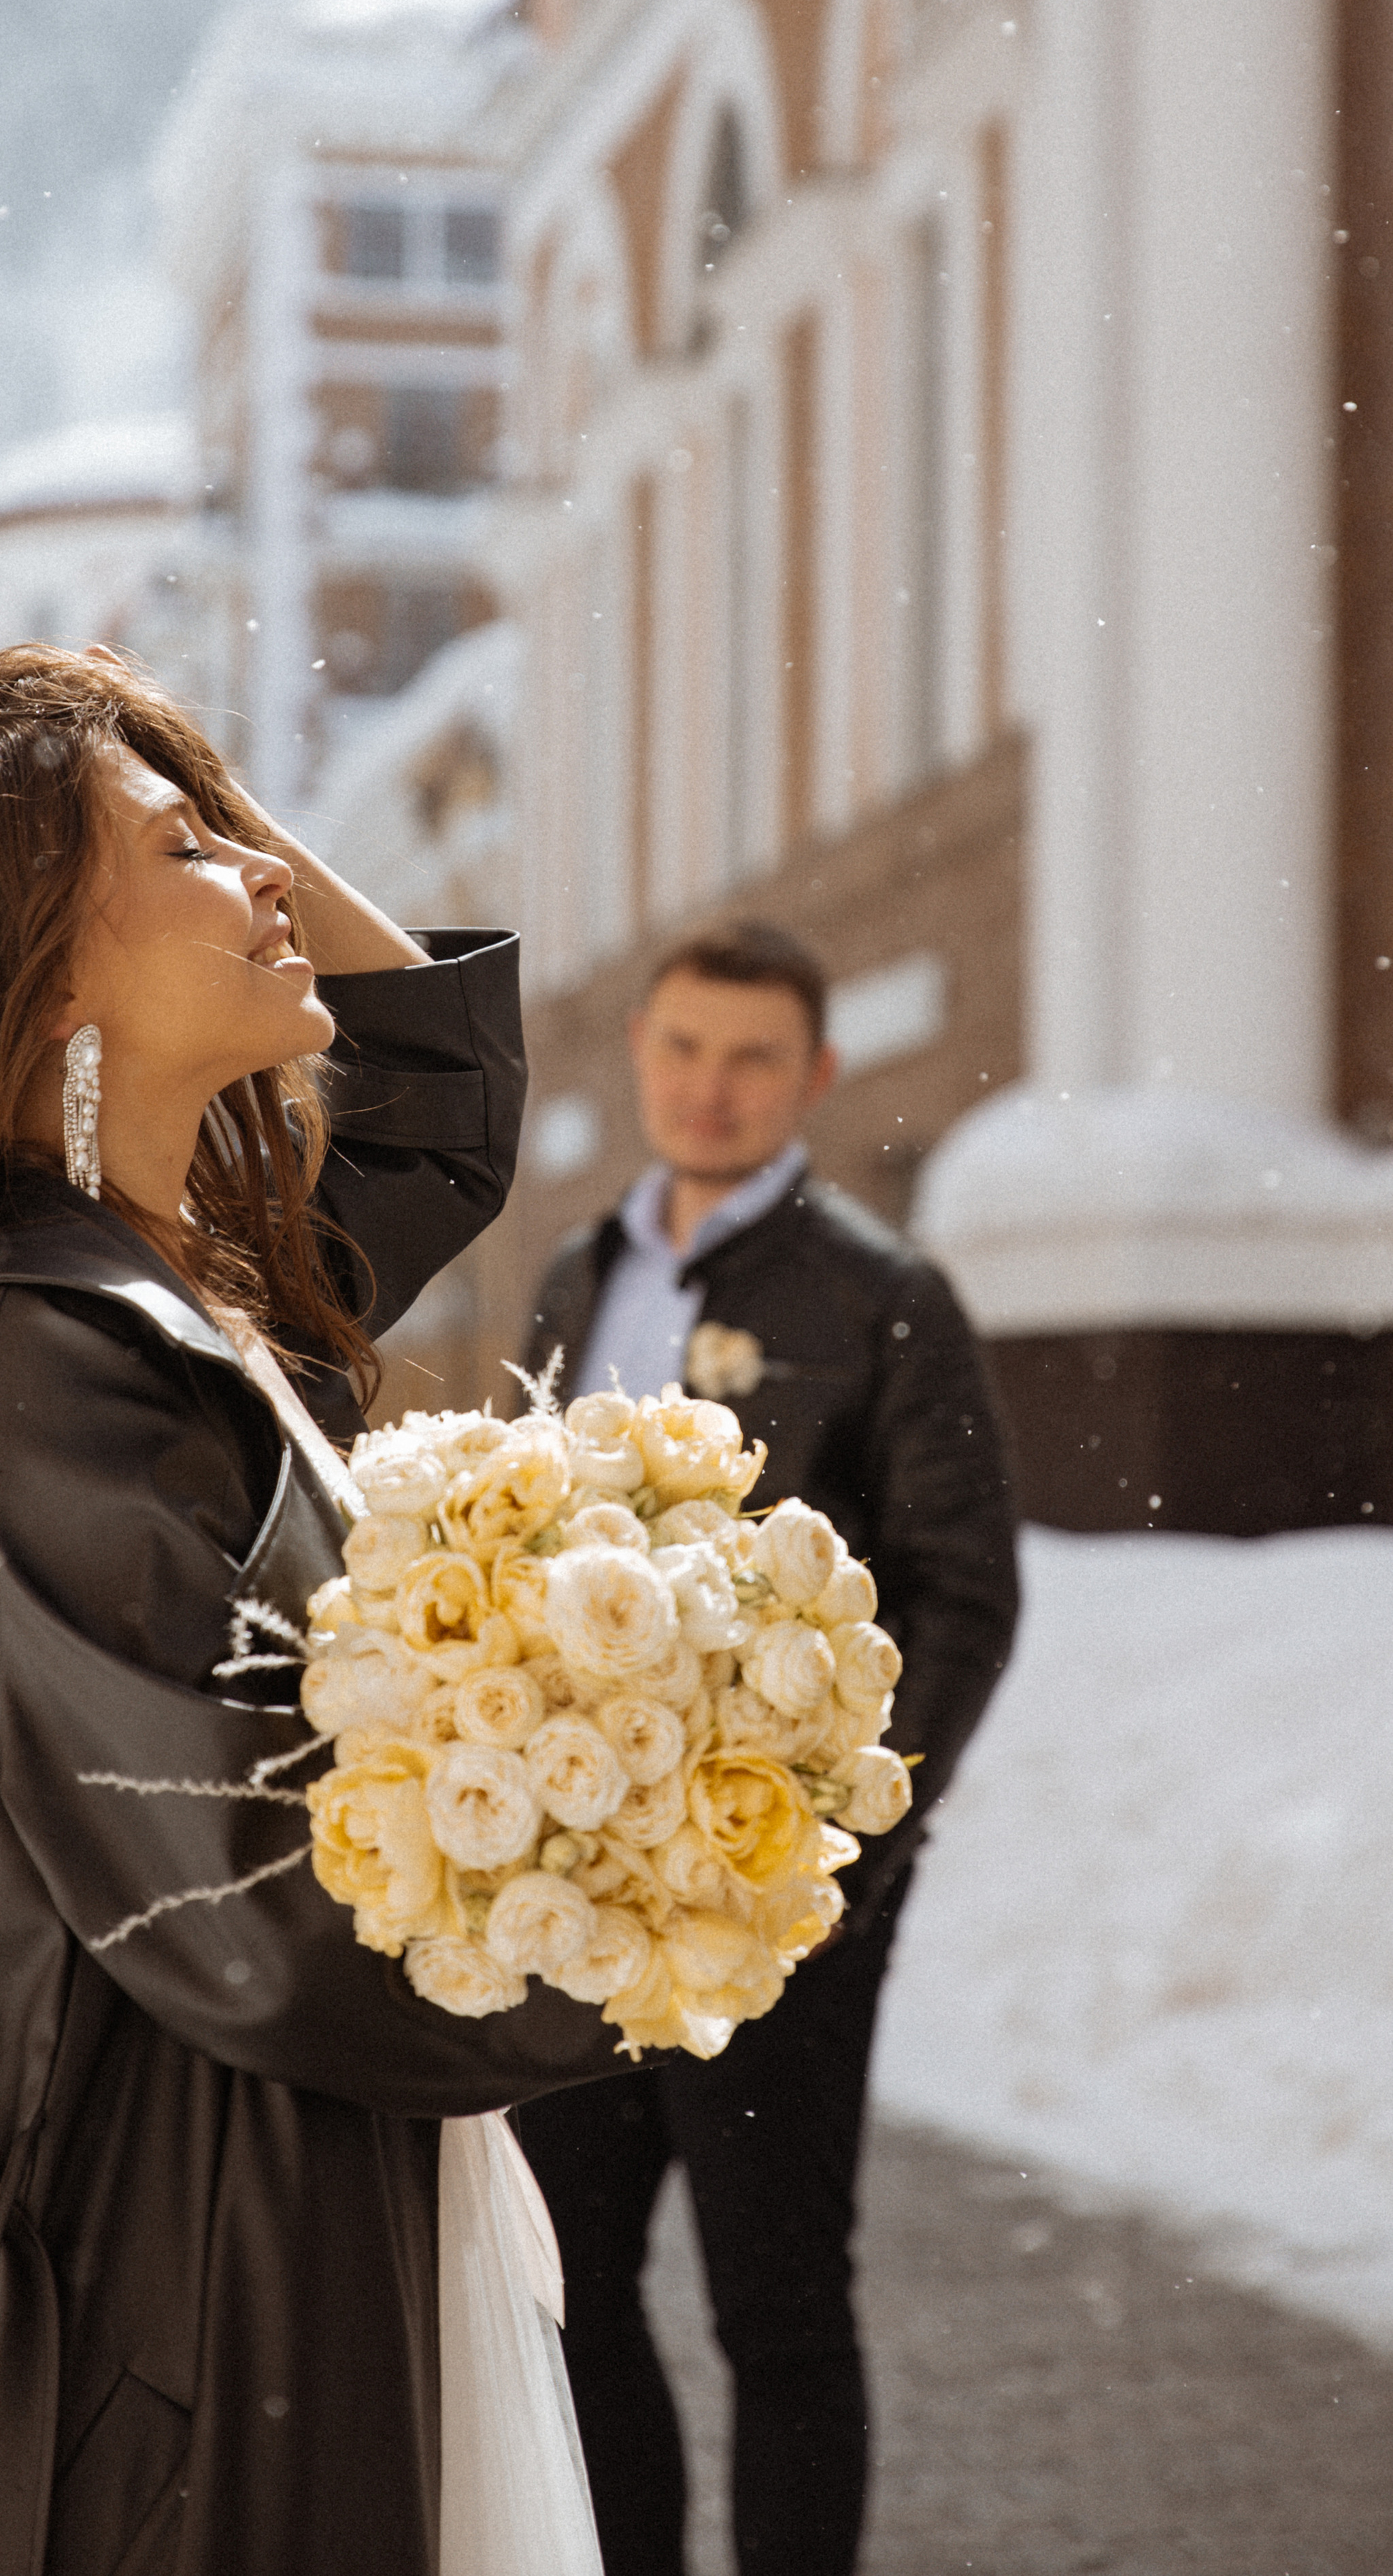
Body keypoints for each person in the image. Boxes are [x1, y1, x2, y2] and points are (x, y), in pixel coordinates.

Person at [0, 645, 626, 2576]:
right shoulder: (48, 1364)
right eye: (196, 855)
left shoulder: (202, 1291)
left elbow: (439, 1085)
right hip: (160, 2317)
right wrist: (649, 1911)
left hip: (245, 2236)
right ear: (44, 975)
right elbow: (260, 1924)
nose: (274, 869)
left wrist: (144, 776)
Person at [516, 919, 1020, 2576]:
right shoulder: (578, 1276)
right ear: (640, 1054)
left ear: (812, 1076)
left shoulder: (880, 1298)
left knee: (778, 2315)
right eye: (680, 1047)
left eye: (749, 1057)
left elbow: (960, 1591)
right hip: (579, 1889)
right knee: (569, 2290)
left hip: (772, 1906)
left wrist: (854, 1848)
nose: (707, 1088)